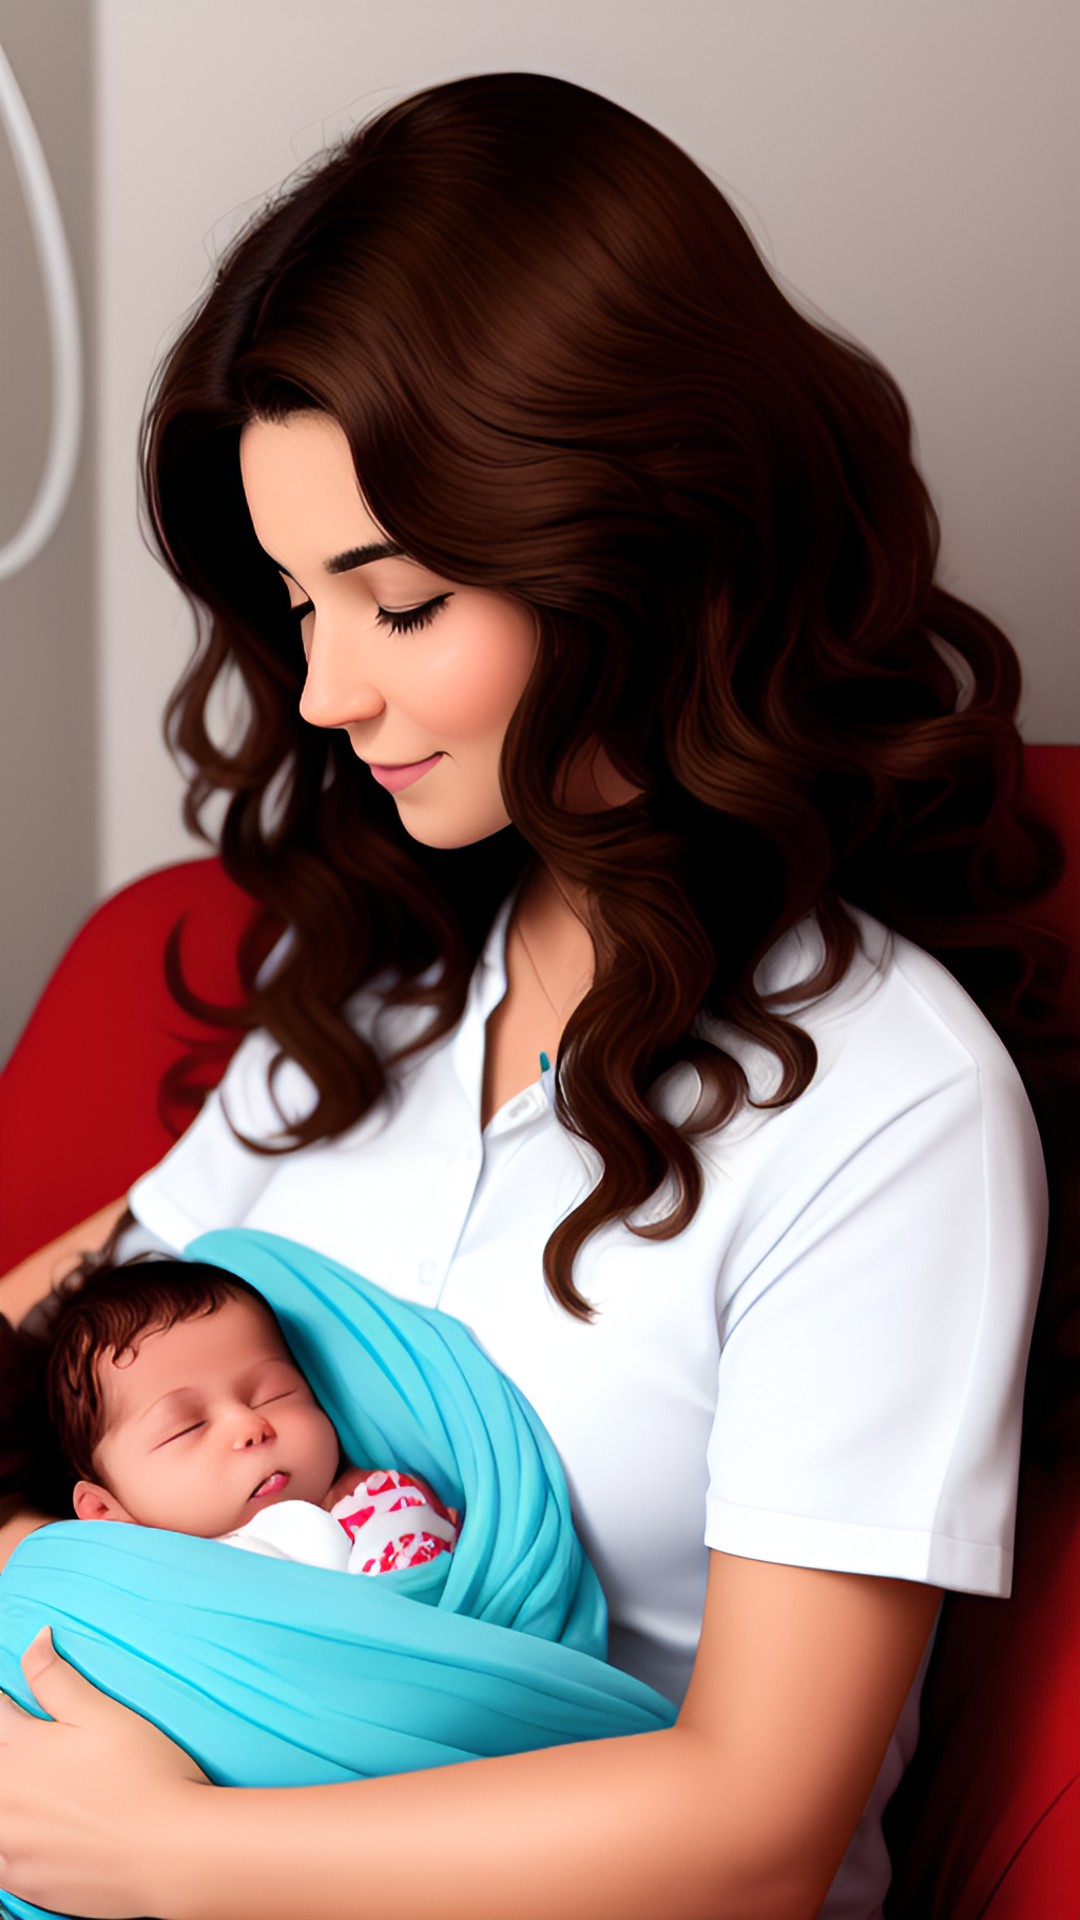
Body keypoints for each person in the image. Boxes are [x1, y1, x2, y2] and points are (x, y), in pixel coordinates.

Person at [0, 69, 1066, 1920]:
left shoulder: (892, 1108)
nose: (323, 690)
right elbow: (45, 1349)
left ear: (638, 554)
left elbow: (754, 1831)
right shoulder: (375, 997)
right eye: (293, 602)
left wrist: (166, 1849)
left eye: (396, 603)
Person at [42, 1257, 460, 1571]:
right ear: (106, 1513)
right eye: (188, 1427)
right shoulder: (145, 1589)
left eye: (273, 1395)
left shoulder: (379, 1505)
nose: (250, 1427)